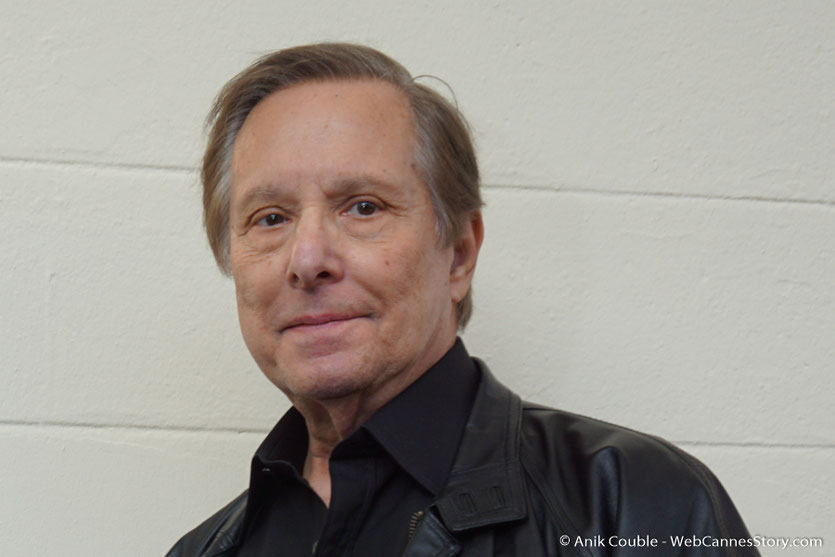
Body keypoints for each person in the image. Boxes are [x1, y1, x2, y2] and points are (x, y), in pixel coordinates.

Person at [167, 43, 758, 556]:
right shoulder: (205, 549)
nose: (307, 259)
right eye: (270, 218)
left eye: (364, 206)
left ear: (459, 254)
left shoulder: (632, 503)